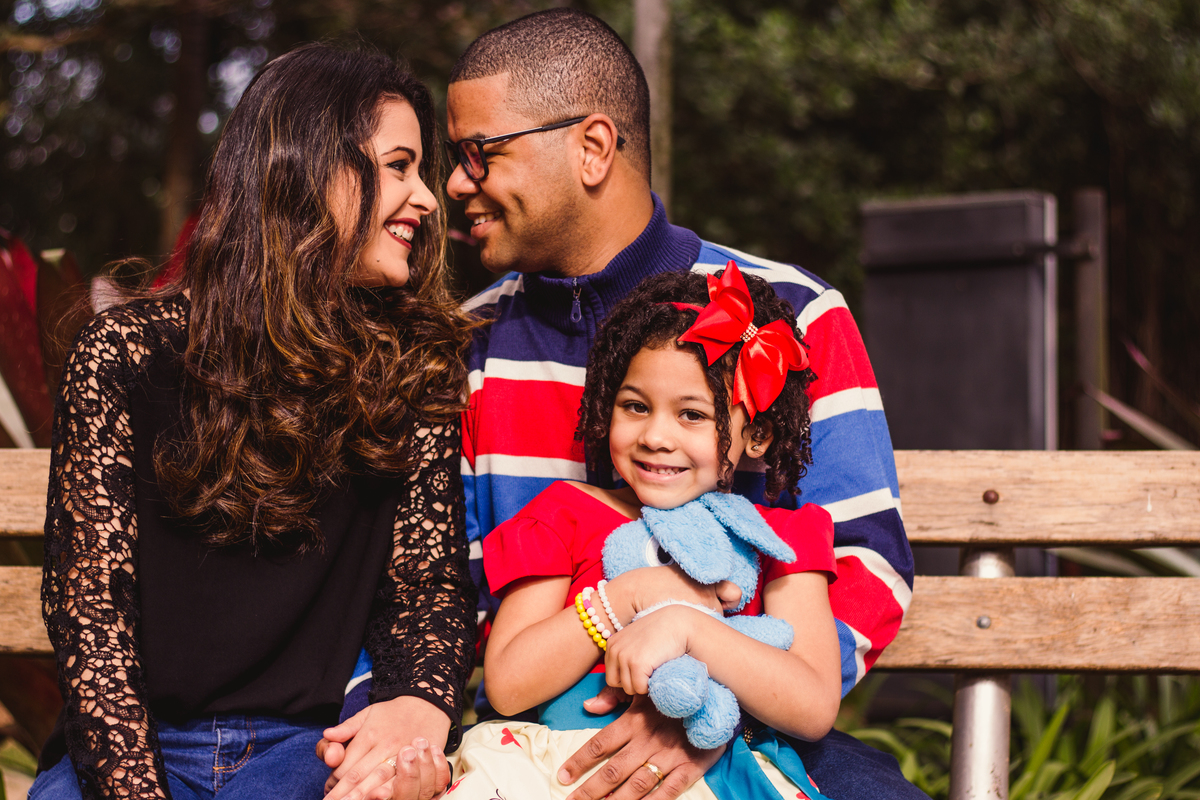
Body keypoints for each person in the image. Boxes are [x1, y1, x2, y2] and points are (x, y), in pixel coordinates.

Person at [443, 10, 924, 800]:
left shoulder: (789, 316)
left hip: (751, 721)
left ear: (592, 148)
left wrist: (720, 706)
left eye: (478, 153)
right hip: (539, 734)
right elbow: (441, 587)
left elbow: (865, 558)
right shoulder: (468, 347)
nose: (456, 182)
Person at [31, 43, 475, 800]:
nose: (429, 198)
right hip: (127, 748)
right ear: (310, 166)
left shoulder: (412, 368)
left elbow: (425, 588)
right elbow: (92, 616)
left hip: (307, 753)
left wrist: (418, 706)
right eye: (400, 166)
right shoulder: (127, 354)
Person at [447, 265, 842, 800]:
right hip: (555, 772)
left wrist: (690, 626)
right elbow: (510, 685)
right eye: (635, 407)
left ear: (755, 433)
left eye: (692, 415)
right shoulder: (564, 515)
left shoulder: (776, 539)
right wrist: (627, 598)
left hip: (714, 773)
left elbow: (813, 704)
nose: (656, 436)